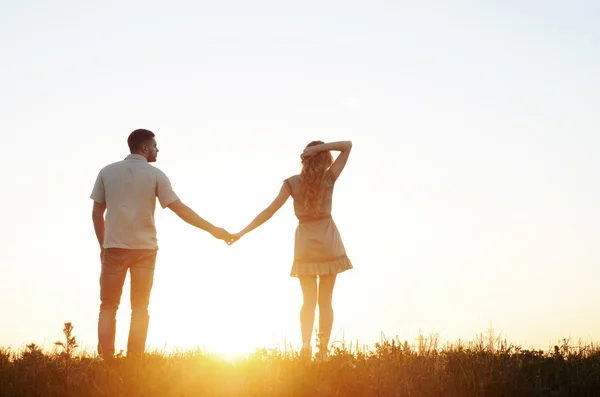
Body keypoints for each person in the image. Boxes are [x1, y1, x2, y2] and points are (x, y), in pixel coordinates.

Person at [90, 129, 232, 359]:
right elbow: (180, 209)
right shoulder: (156, 175)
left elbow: (97, 213)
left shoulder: (107, 172)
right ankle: (134, 361)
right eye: (155, 146)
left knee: (108, 306)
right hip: (145, 251)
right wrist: (213, 229)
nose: (158, 150)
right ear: (144, 148)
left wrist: (103, 246)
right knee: (140, 308)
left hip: (114, 249)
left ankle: (106, 360)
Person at [231, 140, 353, 359]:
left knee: (308, 300)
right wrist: (320, 149)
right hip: (328, 241)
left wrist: (242, 232)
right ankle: (322, 351)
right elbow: (348, 145)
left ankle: (306, 345)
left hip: (305, 243)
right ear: (325, 158)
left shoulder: (292, 183)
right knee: (326, 301)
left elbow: (269, 211)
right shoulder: (329, 178)